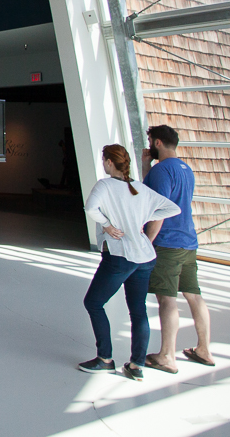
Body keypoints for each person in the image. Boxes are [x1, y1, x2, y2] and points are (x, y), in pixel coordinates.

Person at [80, 144, 181, 381]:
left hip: (120, 256)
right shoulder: (139, 188)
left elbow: (90, 208)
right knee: (138, 311)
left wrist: (107, 225)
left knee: (93, 303)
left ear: (108, 162)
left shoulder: (104, 185)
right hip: (144, 256)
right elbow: (172, 208)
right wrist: (142, 220)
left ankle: (105, 359)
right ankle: (136, 366)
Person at [143, 124, 215, 374]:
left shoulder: (162, 171)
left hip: (168, 243)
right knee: (194, 295)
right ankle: (204, 348)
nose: (149, 144)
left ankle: (166, 356)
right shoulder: (186, 169)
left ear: (159, 143)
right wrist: (146, 168)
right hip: (188, 241)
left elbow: (158, 209)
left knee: (166, 298)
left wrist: (147, 241)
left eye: (150, 140)